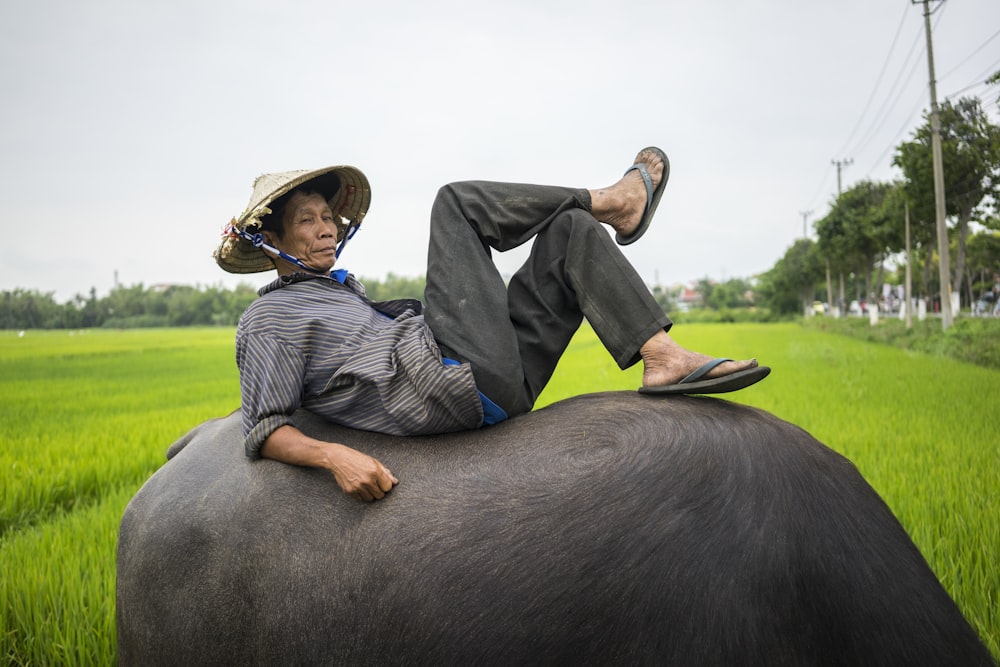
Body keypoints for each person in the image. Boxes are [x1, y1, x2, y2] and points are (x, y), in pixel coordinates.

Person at [214, 147, 769, 501]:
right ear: (271, 244)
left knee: (571, 232)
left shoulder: (341, 293)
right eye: (306, 221)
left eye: (327, 217)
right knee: (453, 204)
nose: (326, 228)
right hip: (449, 377)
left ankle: (661, 355)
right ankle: (616, 200)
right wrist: (336, 456)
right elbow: (264, 427)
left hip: (499, 381)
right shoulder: (270, 319)